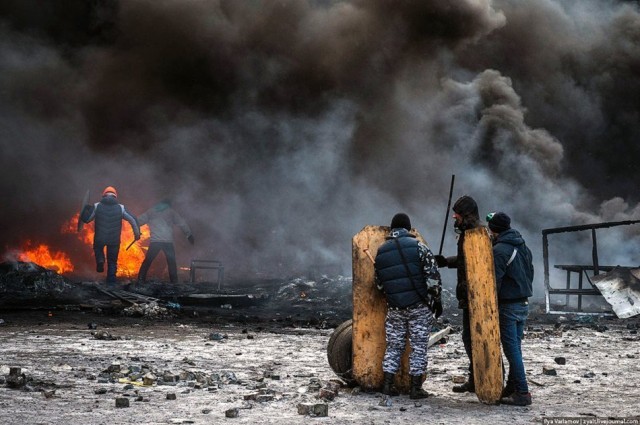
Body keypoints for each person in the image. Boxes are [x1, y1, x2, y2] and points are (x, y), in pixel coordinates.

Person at [374, 213, 443, 399]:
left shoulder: (380, 252)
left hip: (395, 308)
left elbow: (380, 285)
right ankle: (415, 388)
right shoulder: (419, 248)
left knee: (394, 346)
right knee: (419, 347)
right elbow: (433, 278)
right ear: (408, 229)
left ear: (392, 230)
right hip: (418, 306)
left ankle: (388, 385)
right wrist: (436, 301)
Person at [434, 195, 481, 393]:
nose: (455, 218)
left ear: (467, 215)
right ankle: (476, 378)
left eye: (458, 214)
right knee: (469, 338)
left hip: (476, 296)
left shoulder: (476, 235)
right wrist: (445, 261)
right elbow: (464, 260)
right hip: (467, 295)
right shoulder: (467, 234)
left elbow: (474, 263)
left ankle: (484, 378)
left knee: (478, 338)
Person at [486, 211, 534, 406]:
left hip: (508, 305)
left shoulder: (500, 251)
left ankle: (522, 393)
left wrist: (489, 305)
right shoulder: (523, 246)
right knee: (516, 348)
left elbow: (494, 282)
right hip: (523, 303)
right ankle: (512, 387)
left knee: (511, 350)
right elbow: (531, 272)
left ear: (493, 229)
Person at [80, 186, 140, 284]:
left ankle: (100, 260)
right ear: (115, 196)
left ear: (103, 195)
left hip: (100, 238)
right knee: (112, 261)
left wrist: (86, 208)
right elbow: (133, 219)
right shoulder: (121, 208)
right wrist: (137, 234)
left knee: (98, 248)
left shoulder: (97, 206)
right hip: (114, 240)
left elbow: (87, 220)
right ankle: (111, 283)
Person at [136, 199, 194, 284]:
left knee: (147, 261)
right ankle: (174, 282)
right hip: (167, 242)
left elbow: (138, 221)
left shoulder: (151, 211)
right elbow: (182, 223)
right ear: (168, 204)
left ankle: (140, 279)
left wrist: (136, 230)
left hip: (155, 241)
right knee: (171, 262)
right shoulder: (171, 212)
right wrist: (189, 235)